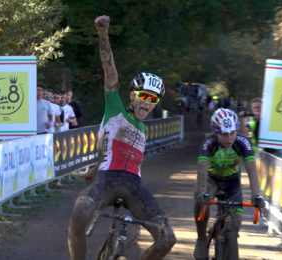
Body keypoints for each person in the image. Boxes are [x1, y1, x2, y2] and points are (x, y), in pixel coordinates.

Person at [68, 15, 175, 260]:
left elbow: (110, 147)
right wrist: (103, 34)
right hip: (107, 181)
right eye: (143, 96)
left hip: (134, 188)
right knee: (79, 212)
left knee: (167, 238)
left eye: (153, 99)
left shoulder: (144, 128)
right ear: (132, 95)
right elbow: (109, 69)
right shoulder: (114, 107)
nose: (147, 102)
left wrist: (94, 165)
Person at [193, 108, 264, 260]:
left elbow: (252, 172)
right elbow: (202, 171)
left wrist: (256, 195)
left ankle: (226, 244)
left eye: (232, 132)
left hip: (232, 182)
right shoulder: (208, 143)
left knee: (236, 224)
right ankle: (201, 238)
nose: (230, 138)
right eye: (224, 134)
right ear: (216, 133)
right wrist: (202, 193)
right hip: (211, 180)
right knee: (200, 199)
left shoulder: (243, 142)